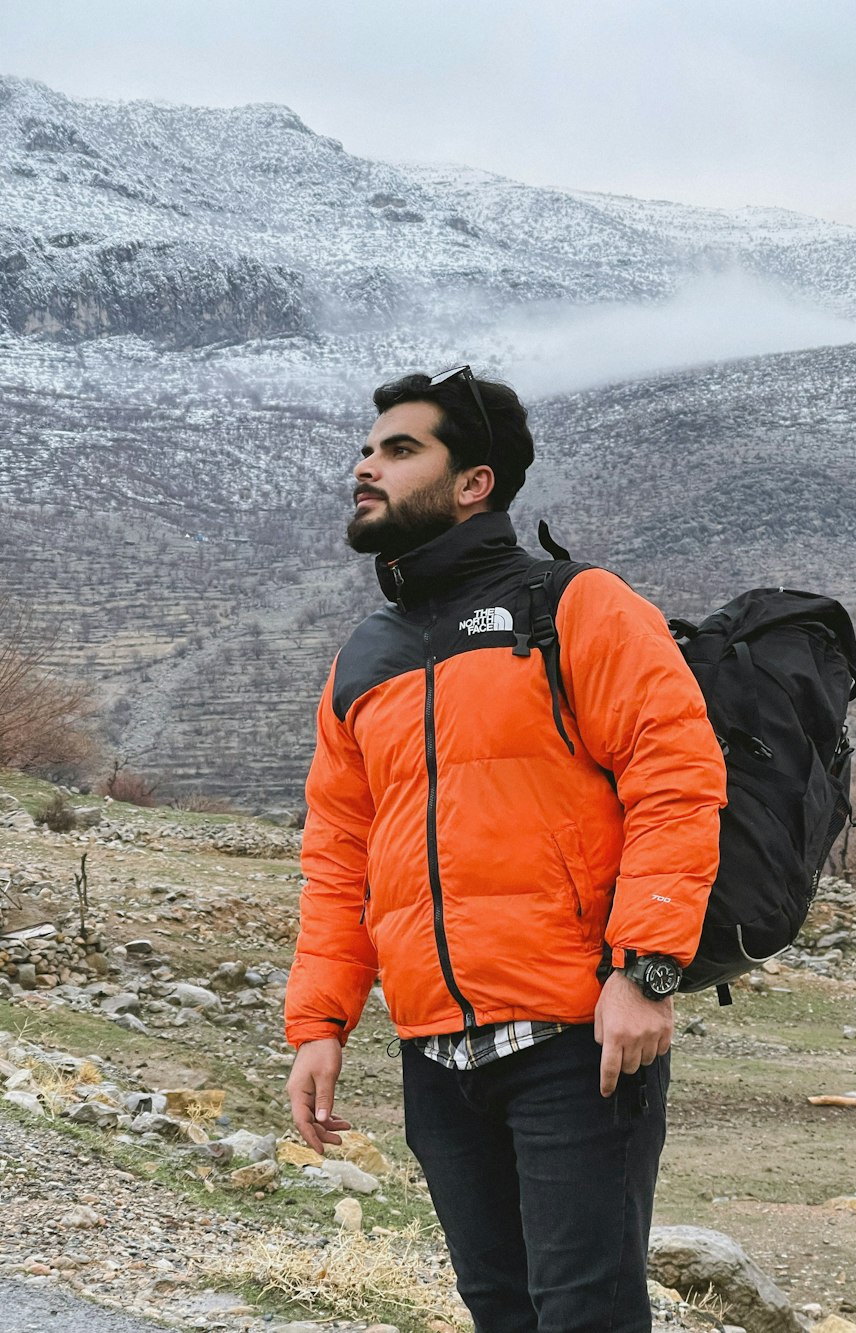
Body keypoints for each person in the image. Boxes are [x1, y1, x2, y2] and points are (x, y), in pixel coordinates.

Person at [285, 367, 727, 1333]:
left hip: (575, 1044)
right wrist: (319, 1021)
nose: (368, 466)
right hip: (434, 1056)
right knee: (499, 1311)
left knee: (585, 1315)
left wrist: (647, 970)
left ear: (474, 482)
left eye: (401, 450)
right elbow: (340, 855)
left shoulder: (576, 606)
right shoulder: (364, 658)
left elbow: (677, 780)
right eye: (369, 448)